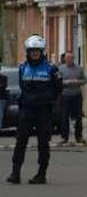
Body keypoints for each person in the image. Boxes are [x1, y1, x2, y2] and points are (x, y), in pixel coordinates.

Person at [7, 35, 62, 184]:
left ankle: (41, 173)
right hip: (27, 109)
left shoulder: (51, 68)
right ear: (28, 52)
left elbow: (58, 89)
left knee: (43, 143)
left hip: (43, 111)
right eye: (32, 51)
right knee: (20, 141)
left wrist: (50, 103)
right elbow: (22, 87)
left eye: (37, 51)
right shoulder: (22, 67)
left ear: (42, 51)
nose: (35, 54)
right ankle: (15, 172)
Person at [58, 51, 87, 145]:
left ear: (73, 59)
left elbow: (84, 80)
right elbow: (57, 82)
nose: (69, 60)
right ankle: (64, 137)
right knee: (64, 117)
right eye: (67, 58)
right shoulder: (61, 69)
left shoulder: (79, 69)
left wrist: (77, 81)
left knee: (78, 117)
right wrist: (66, 82)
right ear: (65, 59)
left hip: (77, 95)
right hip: (65, 95)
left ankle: (79, 136)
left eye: (71, 58)